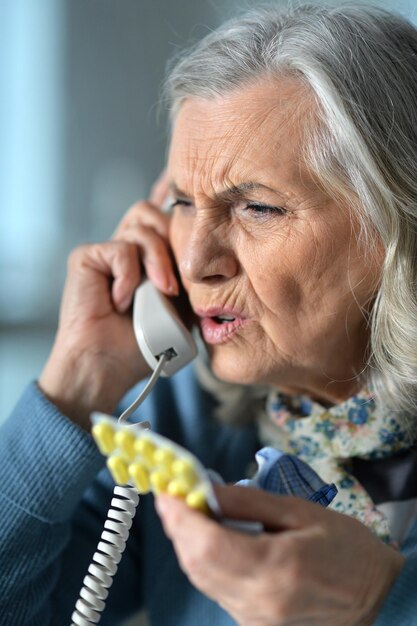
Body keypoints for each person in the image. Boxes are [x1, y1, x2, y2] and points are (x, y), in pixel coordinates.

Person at [1, 3, 417, 625]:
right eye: (182, 201)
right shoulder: (183, 416)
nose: (195, 262)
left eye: (258, 208)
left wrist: (381, 604)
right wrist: (78, 382)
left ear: (397, 226)